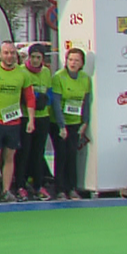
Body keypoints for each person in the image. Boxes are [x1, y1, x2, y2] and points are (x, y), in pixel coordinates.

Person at [0, 42, 35, 203]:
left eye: (12, 53)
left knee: (10, 156)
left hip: (14, 122)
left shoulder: (23, 74)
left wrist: (31, 119)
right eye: (6, 53)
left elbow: (29, 98)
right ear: (0, 54)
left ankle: (6, 190)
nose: (9, 56)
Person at [50, 48, 90, 201]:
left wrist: (85, 122)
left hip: (75, 123)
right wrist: (61, 126)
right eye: (70, 60)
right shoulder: (59, 77)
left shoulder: (85, 78)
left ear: (82, 63)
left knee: (72, 155)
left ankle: (71, 188)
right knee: (61, 155)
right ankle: (59, 189)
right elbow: (57, 103)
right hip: (60, 123)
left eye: (77, 60)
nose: (73, 63)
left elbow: (86, 102)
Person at [16, 44, 54, 200]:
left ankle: (38, 185)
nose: (36, 60)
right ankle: (20, 185)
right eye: (33, 57)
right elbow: (19, 94)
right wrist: (30, 100)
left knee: (39, 152)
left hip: (42, 117)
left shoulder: (46, 72)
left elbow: (49, 92)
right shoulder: (22, 71)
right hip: (25, 116)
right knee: (24, 152)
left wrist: (45, 100)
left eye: (39, 58)